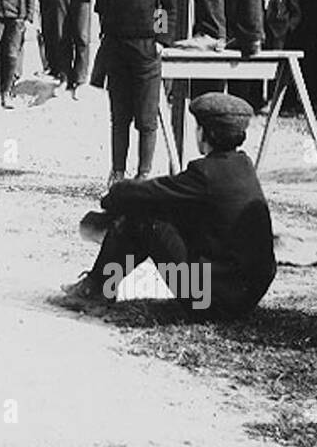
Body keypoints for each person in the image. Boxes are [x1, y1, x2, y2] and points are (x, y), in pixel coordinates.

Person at [56, 92, 276, 319]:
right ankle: (97, 285)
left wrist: (113, 196)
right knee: (159, 210)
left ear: (205, 133)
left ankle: (95, 289)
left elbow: (147, 193)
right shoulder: (242, 166)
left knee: (144, 219)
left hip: (211, 301)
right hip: (242, 296)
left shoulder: (206, 174)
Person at [93, 0, 175, 185]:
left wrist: (160, 40)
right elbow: (104, 5)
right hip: (117, 49)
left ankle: (143, 175)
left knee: (146, 118)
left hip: (146, 51)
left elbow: (167, 6)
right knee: (120, 117)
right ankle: (117, 173)